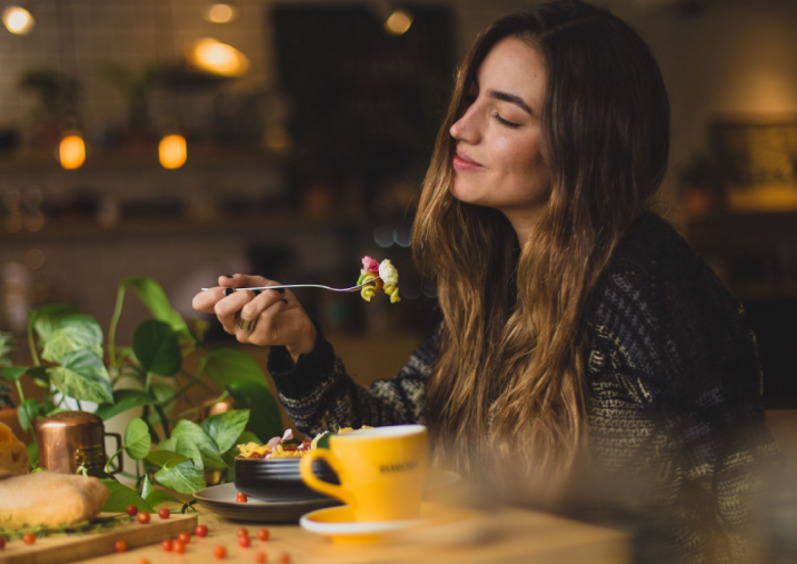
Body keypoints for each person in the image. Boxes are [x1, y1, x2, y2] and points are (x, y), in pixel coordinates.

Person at [193, 1, 777, 561]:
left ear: (585, 146)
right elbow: (388, 443)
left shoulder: (641, 277)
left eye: (505, 115)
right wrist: (302, 345)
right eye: (470, 99)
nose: (459, 127)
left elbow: (739, 492)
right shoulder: (500, 282)